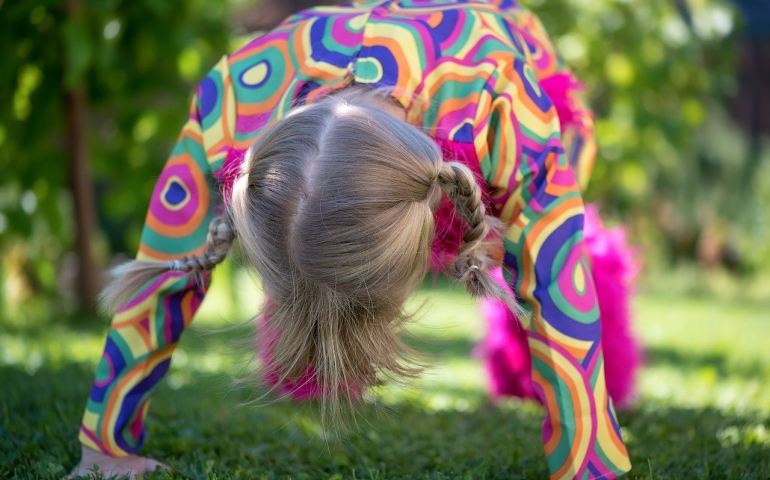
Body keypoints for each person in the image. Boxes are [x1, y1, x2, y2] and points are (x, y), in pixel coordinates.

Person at [70, 1, 638, 478]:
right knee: (317, 253)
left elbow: (560, 284)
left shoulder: (501, 101)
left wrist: (590, 464)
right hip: (378, 91)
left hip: (514, 60)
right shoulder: (233, 100)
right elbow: (163, 267)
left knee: (542, 247)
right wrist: (105, 446)